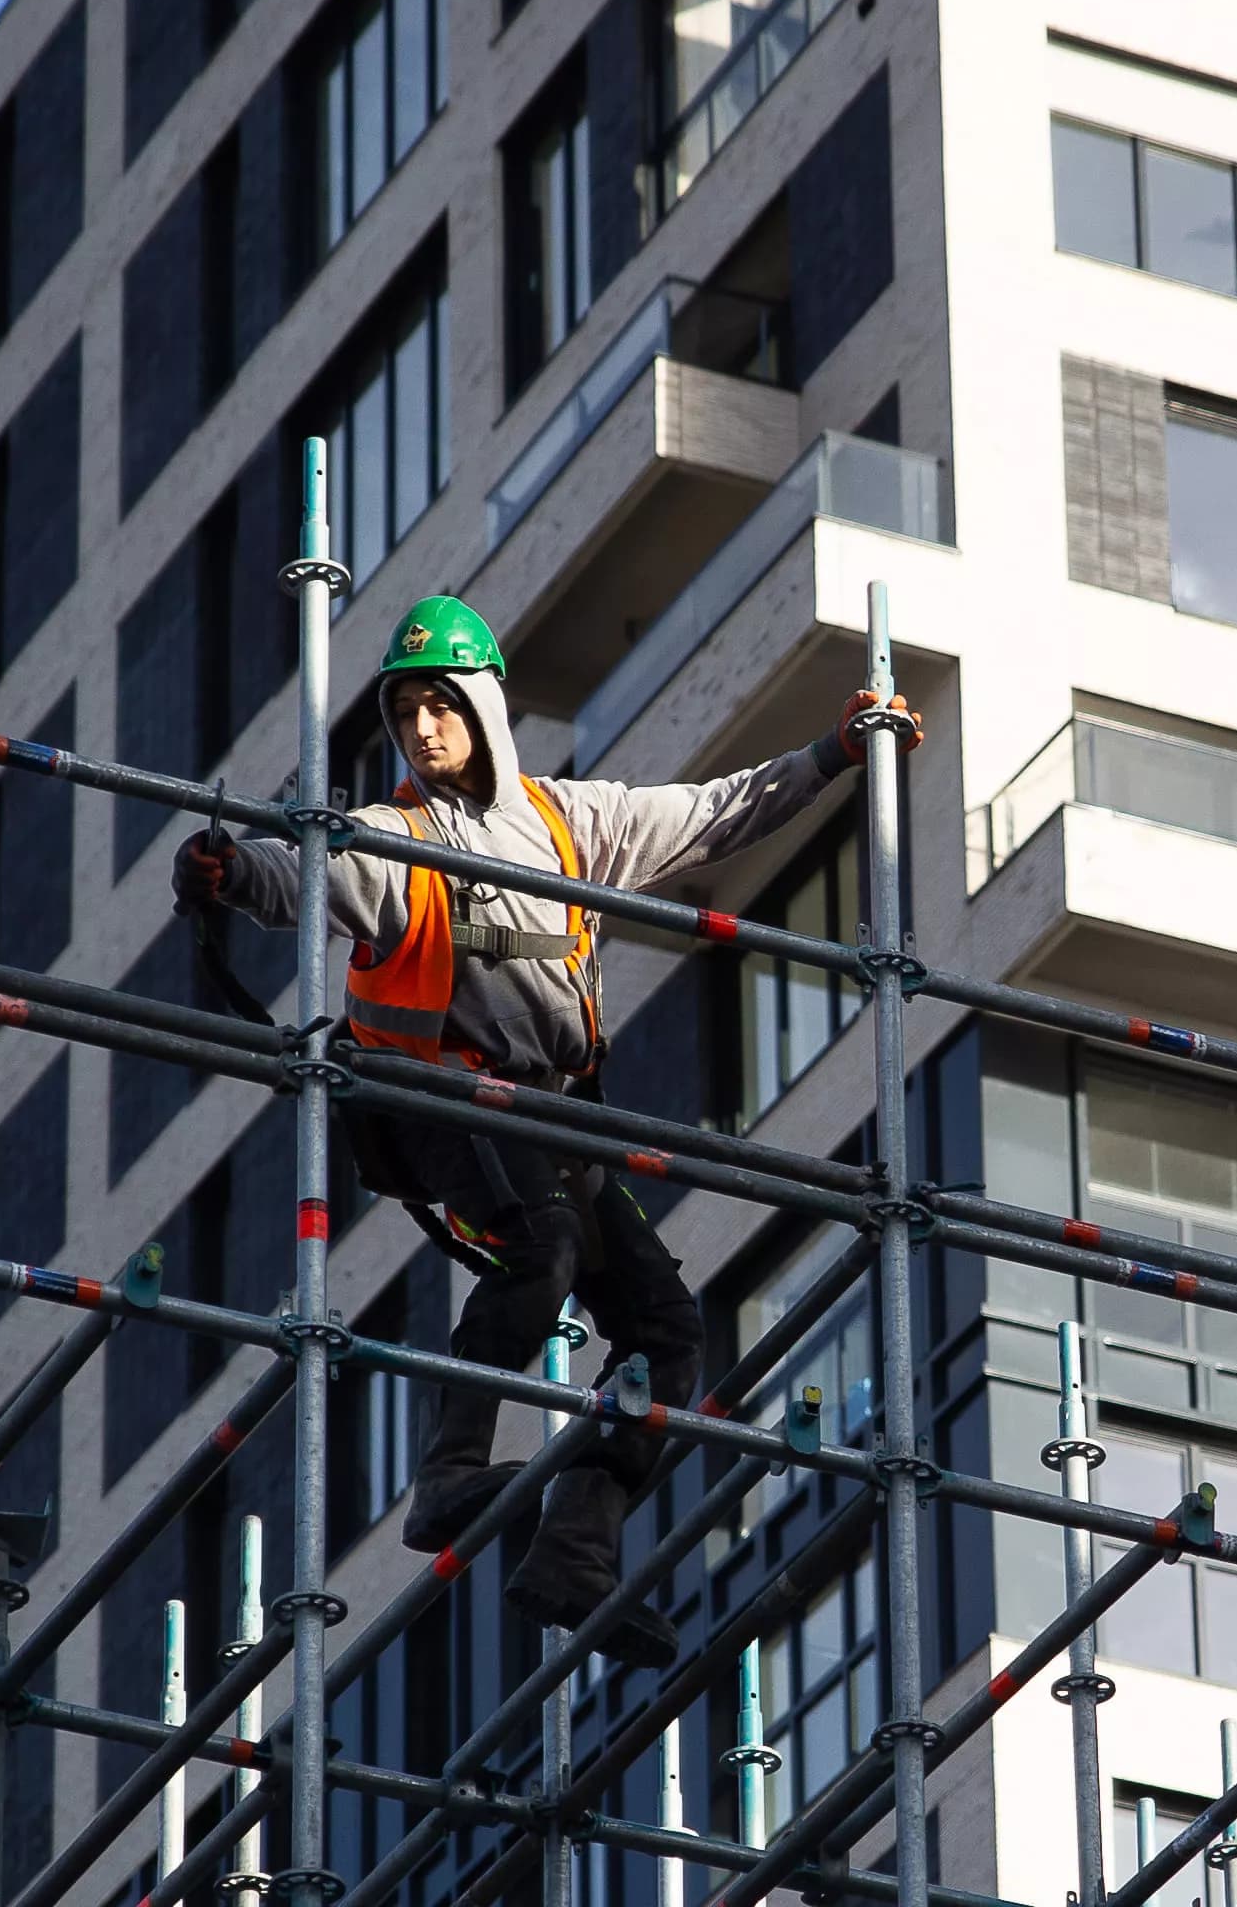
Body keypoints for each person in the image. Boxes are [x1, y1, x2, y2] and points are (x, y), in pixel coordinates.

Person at [171, 593, 893, 1664]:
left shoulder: (567, 822)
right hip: (441, 1105)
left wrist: (834, 752)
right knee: (543, 1243)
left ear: (483, 705)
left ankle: (577, 1546)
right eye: (404, 708)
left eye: (439, 704)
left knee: (666, 1332)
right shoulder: (391, 838)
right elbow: (302, 871)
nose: (420, 728)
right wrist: (231, 871)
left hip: (551, 1119)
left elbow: (713, 811)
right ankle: (453, 1471)